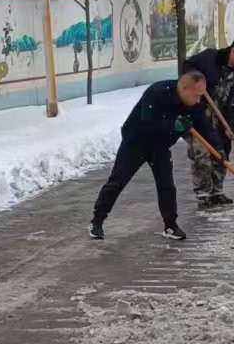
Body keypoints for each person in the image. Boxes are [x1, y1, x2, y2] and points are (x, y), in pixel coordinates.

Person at [90, 70, 218, 241]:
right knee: (118, 181)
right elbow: (147, 122)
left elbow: (205, 126)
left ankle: (171, 226)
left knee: (166, 185)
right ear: (184, 88)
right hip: (136, 142)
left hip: (160, 146)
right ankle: (97, 221)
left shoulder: (194, 103)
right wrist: (174, 125)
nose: (199, 100)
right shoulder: (158, 92)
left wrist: (219, 150)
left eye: (201, 96)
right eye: (196, 95)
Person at [182, 36, 234, 210]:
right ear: (233, 51)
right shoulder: (210, 58)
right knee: (202, 151)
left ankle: (217, 191)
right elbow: (187, 66)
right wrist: (197, 82)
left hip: (223, 116)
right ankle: (203, 194)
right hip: (199, 113)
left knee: (222, 152)